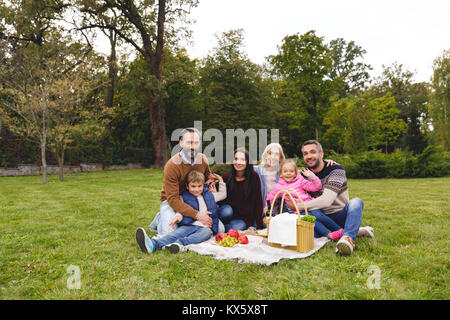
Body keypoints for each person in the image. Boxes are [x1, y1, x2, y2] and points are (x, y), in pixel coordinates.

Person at [285, 140, 372, 255]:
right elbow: (282, 172)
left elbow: (326, 200)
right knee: (307, 231)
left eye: (312, 152)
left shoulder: (336, 170)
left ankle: (347, 239)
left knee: (356, 202)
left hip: (339, 214)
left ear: (321, 154)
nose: (309, 156)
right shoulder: (302, 175)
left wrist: (297, 206)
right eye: (305, 154)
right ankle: (354, 231)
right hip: (318, 218)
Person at [148, 127, 224, 236]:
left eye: (196, 143)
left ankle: (179, 220)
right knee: (168, 233)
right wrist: (197, 215)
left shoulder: (202, 159)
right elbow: (173, 199)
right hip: (173, 200)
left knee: (219, 230)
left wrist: (212, 181)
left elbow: (207, 177)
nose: (193, 146)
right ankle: (160, 218)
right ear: (181, 143)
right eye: (189, 142)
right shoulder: (172, 165)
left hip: (194, 198)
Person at [135, 170, 224, 254]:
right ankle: (153, 244)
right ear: (187, 186)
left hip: (205, 228)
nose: (196, 189)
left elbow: (223, 194)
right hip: (189, 224)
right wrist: (178, 216)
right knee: (174, 234)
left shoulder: (210, 196)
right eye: (193, 186)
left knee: (204, 234)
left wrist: (220, 180)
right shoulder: (184, 197)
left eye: (199, 186)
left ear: (203, 185)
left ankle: (179, 244)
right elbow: (181, 210)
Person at [263, 158, 344, 241]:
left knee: (319, 215)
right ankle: (329, 234)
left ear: (295, 173)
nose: (288, 173)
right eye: (285, 171)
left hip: (310, 205)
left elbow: (316, 187)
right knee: (309, 219)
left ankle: (340, 231)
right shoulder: (279, 187)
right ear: (280, 174)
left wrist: (313, 178)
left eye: (291, 171)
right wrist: (267, 208)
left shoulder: (300, 181)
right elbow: (271, 197)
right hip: (298, 211)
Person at [219, 148, 264, 231]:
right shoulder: (226, 177)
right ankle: (219, 226)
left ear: (247, 162)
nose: (238, 162)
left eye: (242, 159)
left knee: (238, 227)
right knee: (227, 211)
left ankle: (223, 229)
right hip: (227, 214)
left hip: (241, 220)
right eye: (236, 159)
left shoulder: (254, 177)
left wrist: (259, 225)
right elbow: (219, 200)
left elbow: (258, 202)